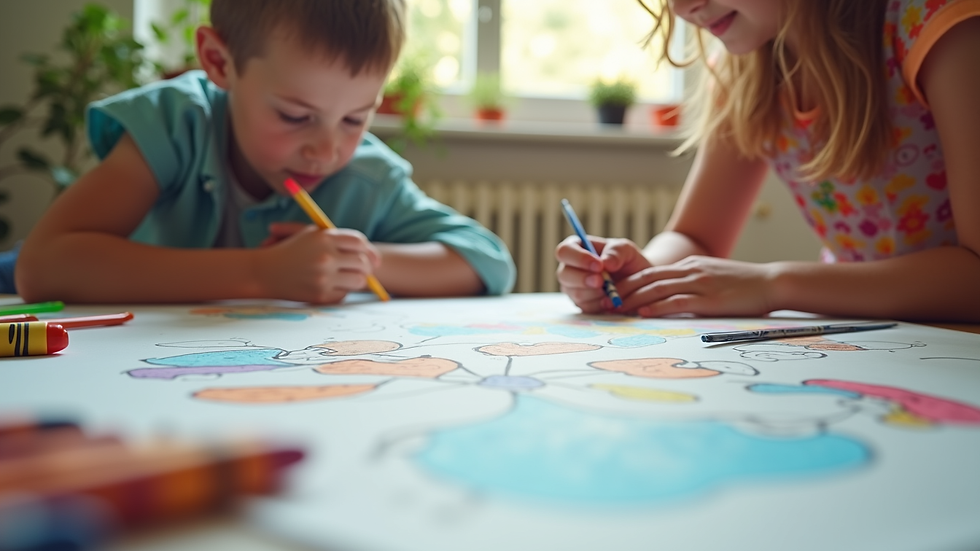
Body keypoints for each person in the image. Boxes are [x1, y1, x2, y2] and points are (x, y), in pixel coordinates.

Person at [16, 0, 515, 304]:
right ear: (219, 62)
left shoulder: (365, 174)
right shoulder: (176, 125)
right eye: (295, 116)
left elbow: (487, 261)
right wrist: (261, 275)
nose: (327, 150)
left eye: (354, 119)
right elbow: (43, 267)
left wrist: (354, 263)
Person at [556, 0, 980, 322]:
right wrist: (639, 274)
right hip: (864, 336)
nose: (683, 7)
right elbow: (696, 237)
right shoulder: (745, 71)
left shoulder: (939, 26)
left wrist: (773, 284)